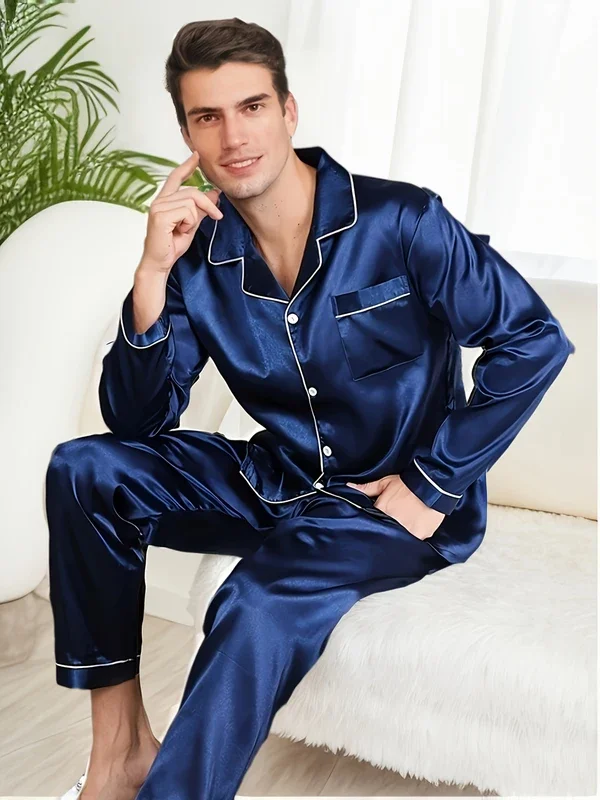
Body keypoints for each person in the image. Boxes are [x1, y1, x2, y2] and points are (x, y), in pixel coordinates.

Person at [47, 16, 575, 800]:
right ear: (187, 136)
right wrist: (152, 273)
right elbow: (136, 423)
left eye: (252, 107)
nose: (234, 136)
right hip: (280, 478)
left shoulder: (403, 221)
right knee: (86, 470)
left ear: (289, 110)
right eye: (208, 116)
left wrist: (432, 484)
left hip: (386, 505)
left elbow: (534, 339)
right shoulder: (197, 257)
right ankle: (120, 751)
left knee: (254, 597)